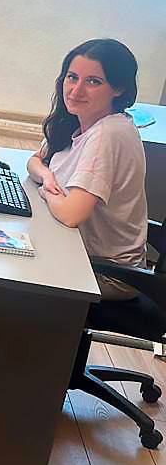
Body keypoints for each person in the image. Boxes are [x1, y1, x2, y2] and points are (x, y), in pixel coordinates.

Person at [26, 38, 149, 308]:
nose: (76, 90)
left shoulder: (109, 133)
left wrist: (46, 192)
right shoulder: (80, 120)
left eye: (93, 81)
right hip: (78, 253)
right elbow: (34, 161)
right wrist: (47, 176)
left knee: (7, 275)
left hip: (107, 274)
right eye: (72, 77)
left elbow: (71, 215)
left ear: (118, 88)